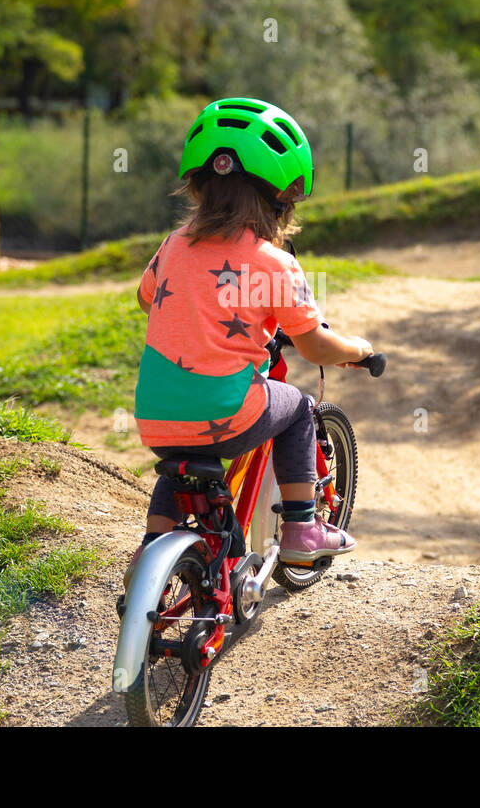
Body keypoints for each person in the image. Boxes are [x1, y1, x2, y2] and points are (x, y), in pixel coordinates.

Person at [127, 97, 373, 581]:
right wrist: (358, 350)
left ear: (198, 184)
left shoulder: (174, 244)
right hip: (229, 413)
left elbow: (145, 298)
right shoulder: (272, 262)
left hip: (156, 417)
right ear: (280, 197)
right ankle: (303, 530)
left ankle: (149, 554)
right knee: (299, 408)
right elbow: (315, 346)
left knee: (183, 465)